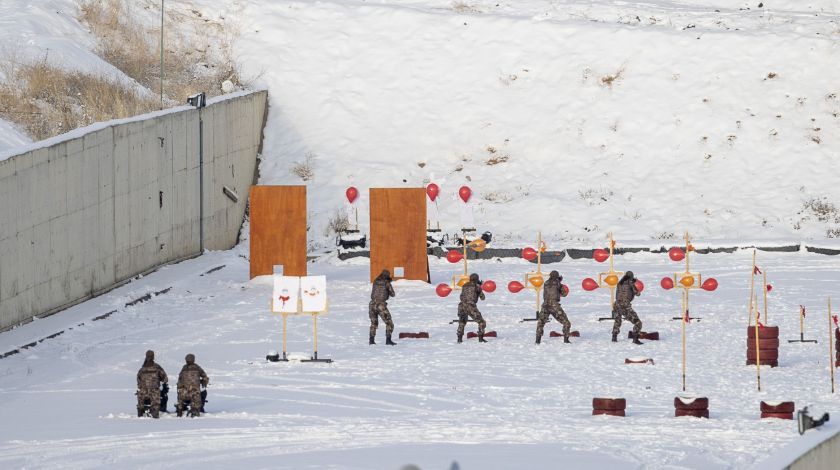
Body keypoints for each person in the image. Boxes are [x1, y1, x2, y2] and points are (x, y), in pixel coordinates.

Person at [536, 270, 571, 344]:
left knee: (541, 322)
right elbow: (564, 294)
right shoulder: (558, 283)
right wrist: (560, 282)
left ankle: (537, 340)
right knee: (566, 323)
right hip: (554, 306)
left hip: (545, 305)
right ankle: (566, 340)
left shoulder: (546, 283)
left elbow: (551, 287)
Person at [612, 271, 643, 344]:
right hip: (625, 305)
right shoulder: (630, 283)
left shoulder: (619, 283)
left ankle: (614, 337)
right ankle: (635, 339)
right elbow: (637, 293)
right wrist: (635, 284)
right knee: (638, 322)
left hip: (616, 304)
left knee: (617, 321)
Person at [136, 350, 167, 418]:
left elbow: (138, 379)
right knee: (157, 401)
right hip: (154, 392)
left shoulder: (142, 369)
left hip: (143, 392)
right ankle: (155, 413)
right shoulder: (157, 367)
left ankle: (140, 412)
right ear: (153, 357)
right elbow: (165, 378)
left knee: (140, 399)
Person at [457, 273, 487, 343]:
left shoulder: (464, 285)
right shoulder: (477, 286)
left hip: (461, 306)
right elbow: (483, 298)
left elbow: (461, 296)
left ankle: (459, 338)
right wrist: (479, 287)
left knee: (462, 322)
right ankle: (480, 338)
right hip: (470, 306)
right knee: (481, 322)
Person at [369, 269, 397, 345]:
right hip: (380, 305)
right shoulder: (386, 282)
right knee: (389, 323)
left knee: (373, 323)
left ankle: (371, 341)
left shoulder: (375, 281)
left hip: (371, 304)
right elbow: (393, 294)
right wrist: (389, 283)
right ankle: (388, 340)